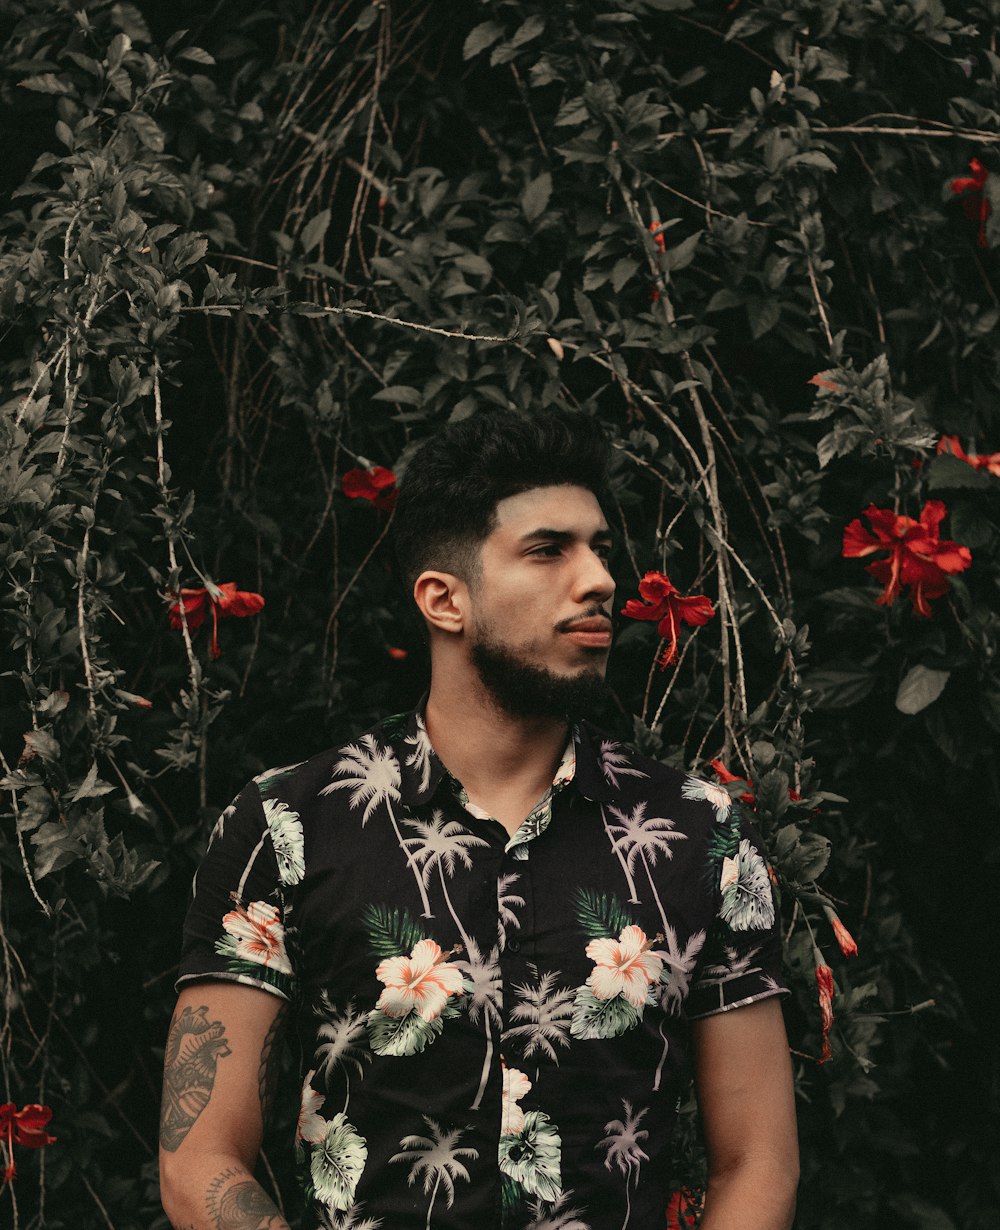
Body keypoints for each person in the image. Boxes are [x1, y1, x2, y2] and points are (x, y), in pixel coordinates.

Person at [159, 411, 799, 1230]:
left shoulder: (704, 835)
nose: (601, 578)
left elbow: (760, 1163)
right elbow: (197, 1156)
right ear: (444, 599)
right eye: (548, 549)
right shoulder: (286, 824)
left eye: (600, 547)